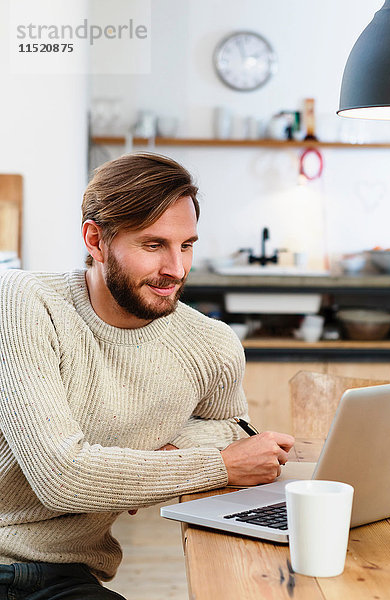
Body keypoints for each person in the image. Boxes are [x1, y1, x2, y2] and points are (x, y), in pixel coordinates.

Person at [0, 152, 294, 599]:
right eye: (153, 245)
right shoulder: (25, 302)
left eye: (187, 245)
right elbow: (62, 479)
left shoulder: (211, 345)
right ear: (95, 241)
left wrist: (150, 465)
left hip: (66, 576)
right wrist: (213, 465)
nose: (175, 270)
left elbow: (236, 436)